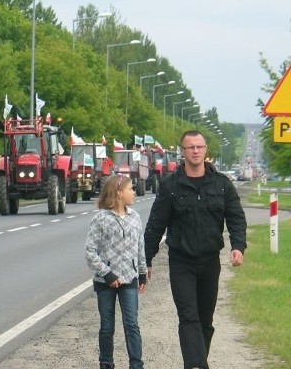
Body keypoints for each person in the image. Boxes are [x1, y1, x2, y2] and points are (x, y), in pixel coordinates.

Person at [144, 129, 247, 369]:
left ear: (205, 150)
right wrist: (145, 259)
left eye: (199, 146)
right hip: (181, 262)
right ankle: (196, 365)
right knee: (188, 316)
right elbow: (155, 225)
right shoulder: (170, 186)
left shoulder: (221, 184)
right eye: (190, 147)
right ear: (182, 152)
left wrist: (238, 246)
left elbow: (236, 217)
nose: (196, 151)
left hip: (210, 261)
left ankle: (197, 361)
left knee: (205, 320)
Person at [85, 173, 148, 369]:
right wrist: (108, 274)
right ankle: (106, 363)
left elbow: (140, 248)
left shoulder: (135, 217)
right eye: (131, 189)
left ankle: (136, 364)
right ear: (119, 193)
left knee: (132, 325)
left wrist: (143, 273)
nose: (134, 193)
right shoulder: (100, 219)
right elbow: (90, 251)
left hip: (129, 279)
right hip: (106, 282)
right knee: (107, 326)